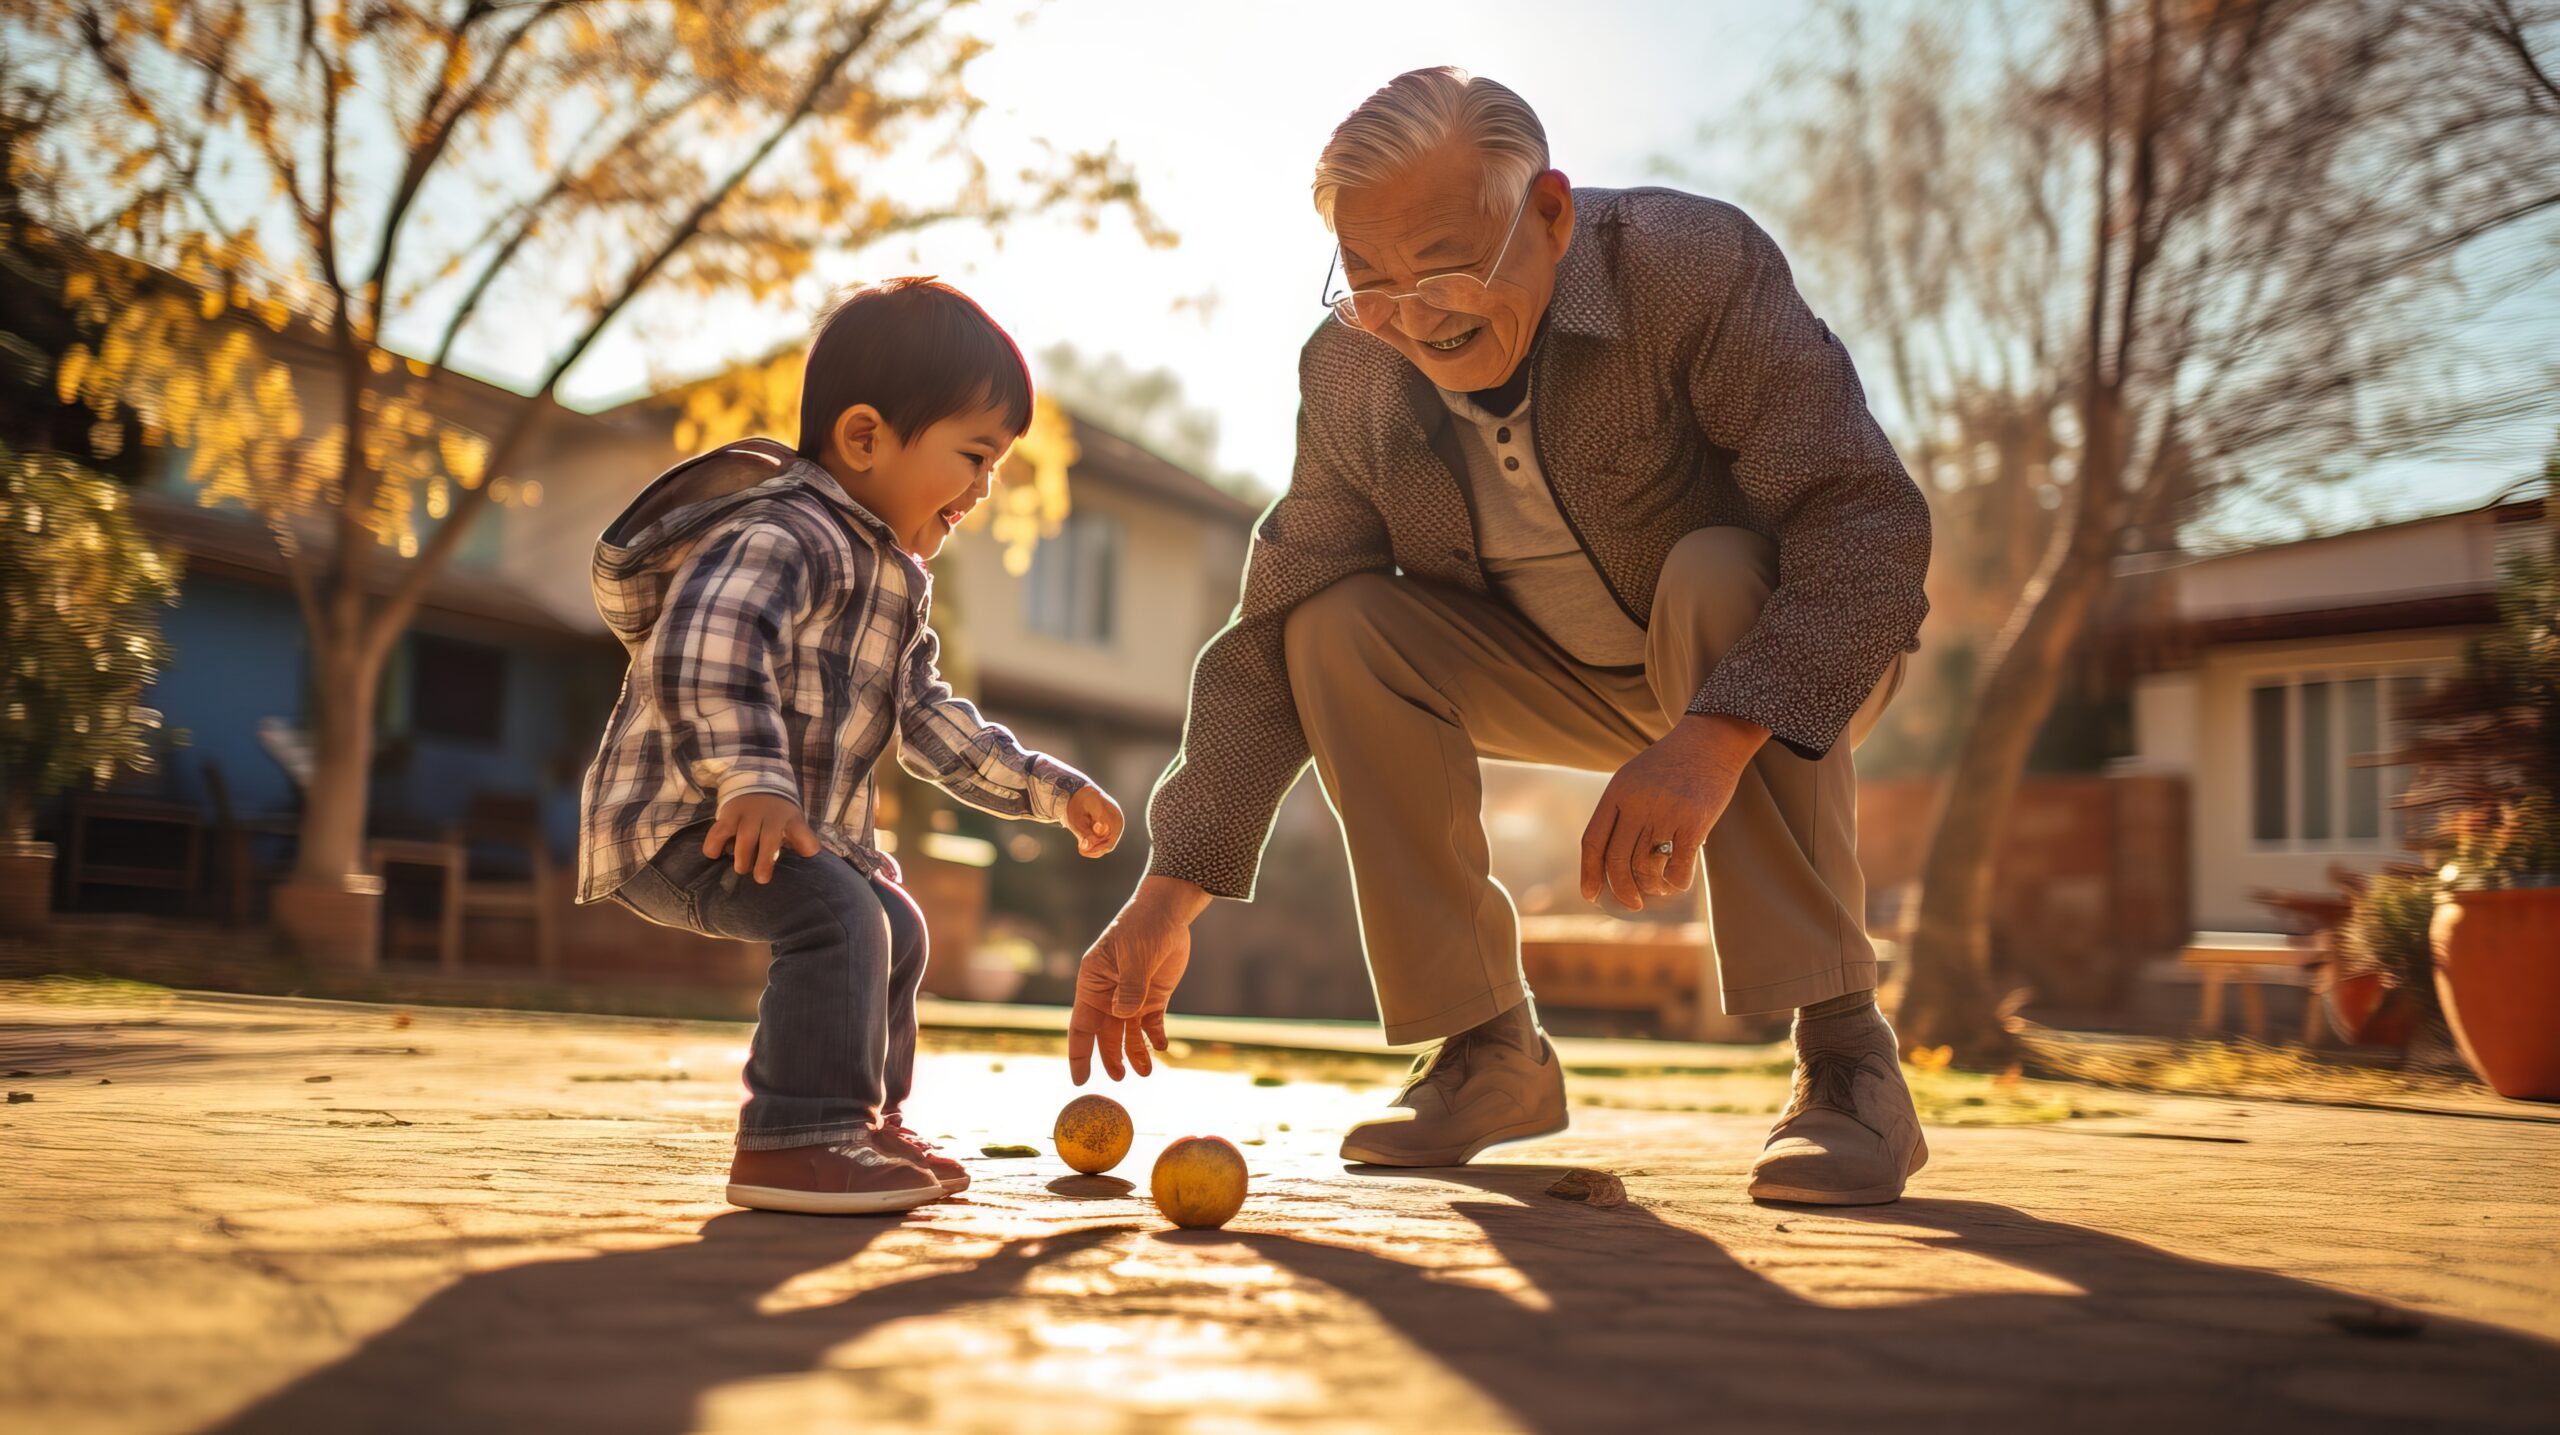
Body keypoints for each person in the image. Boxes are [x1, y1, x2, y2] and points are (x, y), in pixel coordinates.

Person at [1069, 69, 1934, 1206]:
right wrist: (1165, 895)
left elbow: (1864, 519)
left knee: (1713, 569)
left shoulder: (1688, 268)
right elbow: (1270, 620)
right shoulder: (1350, 365)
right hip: (1554, 674)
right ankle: (1486, 1051)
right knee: (1330, 626)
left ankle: (1844, 1059)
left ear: (1552, 213)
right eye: (1368, 280)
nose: (1412, 314)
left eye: (1445, 265)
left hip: (1768, 655)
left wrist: (1712, 738)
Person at [576, 277, 1126, 1215]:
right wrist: (752, 777)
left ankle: (861, 1122)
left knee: (894, 920)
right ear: (866, 437)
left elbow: (928, 720)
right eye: (973, 455)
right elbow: (702, 652)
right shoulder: (782, 532)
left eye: (996, 465)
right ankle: (795, 1137)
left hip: (771, 831)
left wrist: (1046, 786)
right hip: (686, 822)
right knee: (837, 917)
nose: (985, 488)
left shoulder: (893, 581)